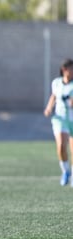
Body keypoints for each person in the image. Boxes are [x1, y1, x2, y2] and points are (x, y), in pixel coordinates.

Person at [44, 59, 73, 187]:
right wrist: (49, 107)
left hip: (72, 119)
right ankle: (65, 171)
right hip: (60, 118)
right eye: (70, 68)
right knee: (61, 145)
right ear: (64, 69)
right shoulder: (56, 83)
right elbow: (54, 96)